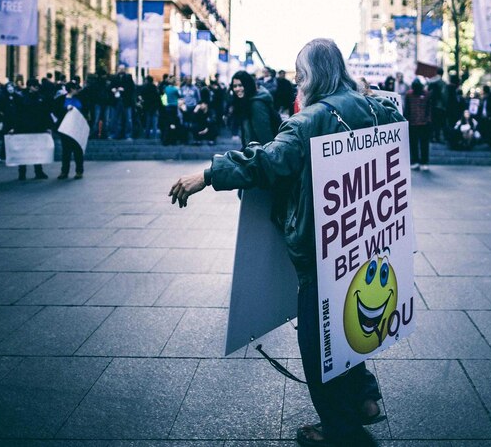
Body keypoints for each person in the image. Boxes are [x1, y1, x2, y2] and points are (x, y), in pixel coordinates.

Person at [168, 38, 398, 447]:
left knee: (319, 337)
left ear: (311, 77)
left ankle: (336, 427)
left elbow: (269, 162)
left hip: (321, 245)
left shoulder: (308, 121)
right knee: (351, 320)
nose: (297, 84)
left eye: (299, 75)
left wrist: (206, 176)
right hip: (364, 237)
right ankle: (364, 398)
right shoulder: (375, 107)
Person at [12, 79, 51, 180]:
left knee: (36, 150)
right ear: (30, 86)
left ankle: (38, 171)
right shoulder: (23, 97)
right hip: (25, 127)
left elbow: (44, 114)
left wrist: (46, 127)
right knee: (25, 150)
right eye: (34, 86)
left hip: (35, 127)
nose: (37, 87)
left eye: (37, 86)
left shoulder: (39, 97)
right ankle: (23, 172)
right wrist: (15, 127)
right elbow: (18, 114)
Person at [230, 70, 278, 147]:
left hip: (260, 153)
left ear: (248, 85)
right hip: (254, 151)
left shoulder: (256, 104)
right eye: (235, 86)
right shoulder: (245, 101)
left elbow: (264, 135)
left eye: (241, 85)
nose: (237, 89)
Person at [56, 82, 85, 180]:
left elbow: (85, 110)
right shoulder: (61, 99)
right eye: (76, 88)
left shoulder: (80, 98)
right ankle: (64, 171)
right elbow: (56, 111)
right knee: (66, 151)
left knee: (78, 150)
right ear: (71, 89)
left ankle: (79, 171)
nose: (77, 90)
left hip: (77, 127)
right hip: (66, 128)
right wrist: (65, 110)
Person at [404, 78, 431, 170]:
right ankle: (418, 161)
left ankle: (422, 161)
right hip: (414, 123)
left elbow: (429, 108)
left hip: (422, 123)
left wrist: (428, 120)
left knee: (421, 144)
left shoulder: (426, 94)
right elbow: (407, 109)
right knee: (415, 144)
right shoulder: (409, 95)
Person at [427, 69, 448, 143]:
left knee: (432, 122)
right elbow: (444, 95)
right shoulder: (442, 83)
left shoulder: (431, 81)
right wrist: (445, 105)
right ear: (442, 73)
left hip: (431, 105)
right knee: (439, 123)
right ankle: (437, 137)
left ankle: (431, 137)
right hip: (439, 106)